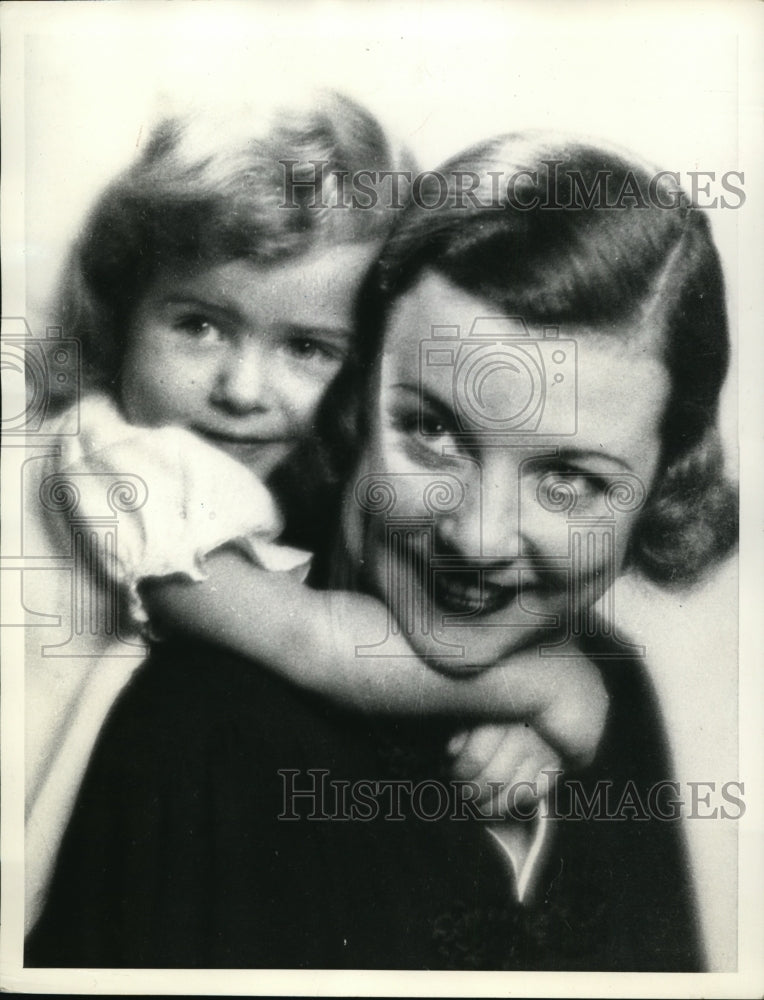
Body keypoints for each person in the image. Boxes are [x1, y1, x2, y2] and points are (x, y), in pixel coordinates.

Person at [25, 131, 736, 970]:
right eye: (431, 431)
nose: (476, 536)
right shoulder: (207, 729)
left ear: (660, 485)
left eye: (569, 479)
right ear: (352, 401)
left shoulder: (609, 677)